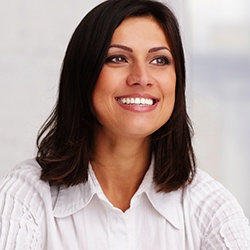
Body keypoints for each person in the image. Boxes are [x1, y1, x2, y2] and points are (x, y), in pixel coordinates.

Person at [0, 0, 249, 249]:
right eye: (118, 58)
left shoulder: (210, 207)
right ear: (83, 75)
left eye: (159, 60)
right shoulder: (26, 196)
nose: (141, 78)